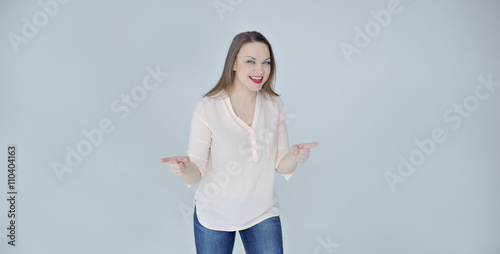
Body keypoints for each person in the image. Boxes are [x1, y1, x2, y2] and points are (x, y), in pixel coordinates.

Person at [160, 31, 319, 254]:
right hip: (214, 215)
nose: (260, 70)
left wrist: (294, 157)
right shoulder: (208, 107)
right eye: (250, 62)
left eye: (266, 62)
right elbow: (196, 170)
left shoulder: (274, 105)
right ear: (234, 64)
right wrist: (184, 169)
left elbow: (281, 164)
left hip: (262, 212)